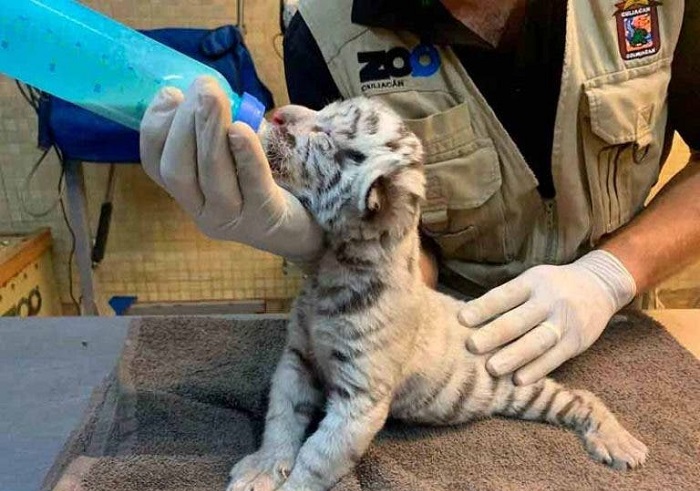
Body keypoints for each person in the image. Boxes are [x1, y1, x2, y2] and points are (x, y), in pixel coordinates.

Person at [139, 0, 700, 386]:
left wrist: (607, 277)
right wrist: (338, 254)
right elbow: (408, 245)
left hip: (622, 330)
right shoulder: (325, 28)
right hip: (447, 346)